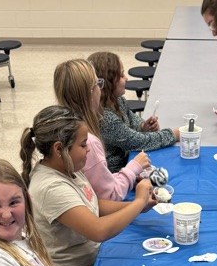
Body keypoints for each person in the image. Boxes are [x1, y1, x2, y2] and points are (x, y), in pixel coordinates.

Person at [20, 106, 156, 266]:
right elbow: (98, 230)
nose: (89, 150)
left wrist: (136, 207)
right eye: (83, 145)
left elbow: (92, 205)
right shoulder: (50, 187)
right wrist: (138, 201)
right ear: (59, 148)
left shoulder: (68, 167)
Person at [54, 58, 150, 200]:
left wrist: (123, 176)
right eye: (98, 83)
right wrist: (134, 167)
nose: (101, 87)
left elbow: (93, 181)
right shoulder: (88, 142)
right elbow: (109, 196)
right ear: (91, 92)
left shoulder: (61, 126)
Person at [87, 51, 178, 172]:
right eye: (121, 75)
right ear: (108, 82)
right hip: (118, 173)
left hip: (129, 160)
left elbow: (131, 118)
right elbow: (138, 142)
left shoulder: (118, 100)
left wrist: (143, 126)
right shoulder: (105, 118)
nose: (126, 78)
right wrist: (174, 134)